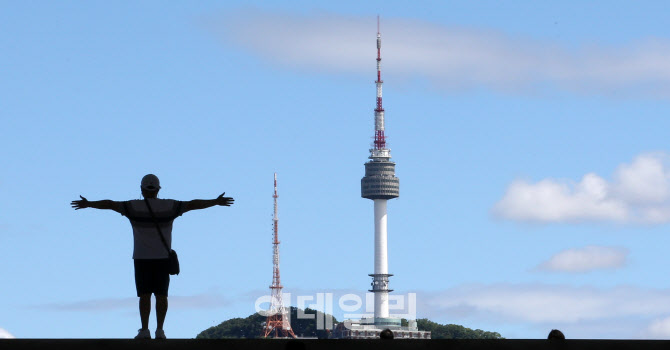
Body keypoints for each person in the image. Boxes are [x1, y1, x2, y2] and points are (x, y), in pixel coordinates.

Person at [71, 174, 234, 339]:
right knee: (162, 295)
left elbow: (110, 204)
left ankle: (144, 329)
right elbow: (192, 204)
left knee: (144, 296)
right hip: (162, 258)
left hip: (141, 258)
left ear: (141, 189)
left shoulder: (132, 207)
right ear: (158, 189)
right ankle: (160, 330)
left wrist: (89, 204)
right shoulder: (169, 206)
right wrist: (215, 201)